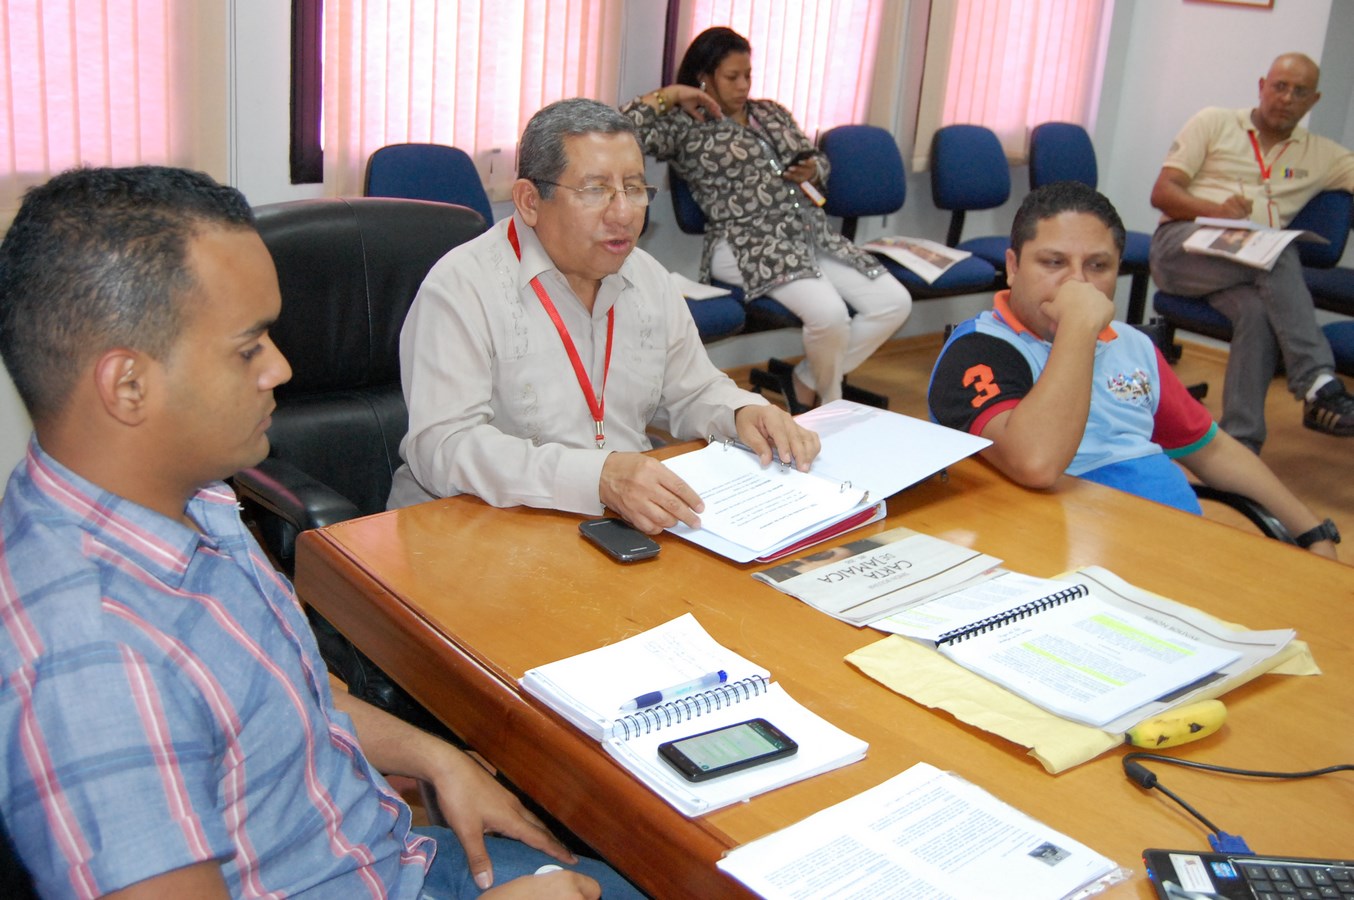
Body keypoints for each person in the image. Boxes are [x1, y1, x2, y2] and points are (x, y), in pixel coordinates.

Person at [0, 166, 644, 898]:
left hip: (388, 856)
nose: (280, 367)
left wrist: (434, 757)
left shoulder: (186, 501)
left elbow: (277, 701)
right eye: (249, 347)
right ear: (128, 386)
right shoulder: (90, 662)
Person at [389, 98, 820, 534]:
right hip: (475, 527)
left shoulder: (648, 278)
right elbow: (443, 447)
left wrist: (741, 412)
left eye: (634, 188)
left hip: (619, 522)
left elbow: (692, 389)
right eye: (595, 190)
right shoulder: (462, 287)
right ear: (530, 201)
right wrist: (597, 477)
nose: (624, 213)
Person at [929, 182, 1339, 559]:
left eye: (1098, 266)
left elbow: (1212, 450)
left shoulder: (1133, 347)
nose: (1077, 284)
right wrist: (1078, 327)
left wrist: (1310, 529)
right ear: (1014, 266)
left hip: (1169, 546)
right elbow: (1037, 462)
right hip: (1058, 554)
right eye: (1053, 262)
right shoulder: (979, 350)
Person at [621, 26, 913, 410]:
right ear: (704, 76)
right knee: (830, 316)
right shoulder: (684, 125)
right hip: (745, 244)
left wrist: (813, 170)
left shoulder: (771, 112)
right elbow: (618, 129)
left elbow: (818, 160)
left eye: (748, 75)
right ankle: (830, 405)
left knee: (894, 303)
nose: (743, 85)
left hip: (809, 235)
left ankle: (805, 380)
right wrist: (672, 94)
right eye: (732, 77)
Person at [1149, 52, 1354, 453]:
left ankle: (1240, 445)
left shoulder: (1323, 155)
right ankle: (1316, 381)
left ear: (1313, 101)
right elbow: (1162, 192)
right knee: (1278, 252)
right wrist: (1216, 211)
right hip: (1182, 248)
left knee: (1258, 309)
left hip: (1247, 265)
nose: (1287, 98)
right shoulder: (1214, 122)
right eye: (1280, 86)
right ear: (1262, 87)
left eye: (1300, 92)